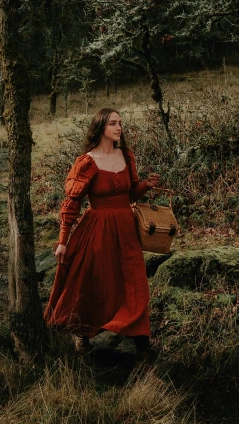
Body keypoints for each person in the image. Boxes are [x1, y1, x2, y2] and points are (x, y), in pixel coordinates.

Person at [44, 107, 161, 358]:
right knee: (96, 281)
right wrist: (63, 240)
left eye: (120, 123)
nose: (119, 128)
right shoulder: (86, 161)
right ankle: (83, 334)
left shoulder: (126, 156)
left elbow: (130, 194)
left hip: (127, 229)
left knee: (135, 282)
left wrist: (144, 186)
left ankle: (142, 347)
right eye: (113, 124)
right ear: (100, 128)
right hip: (97, 229)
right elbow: (71, 204)